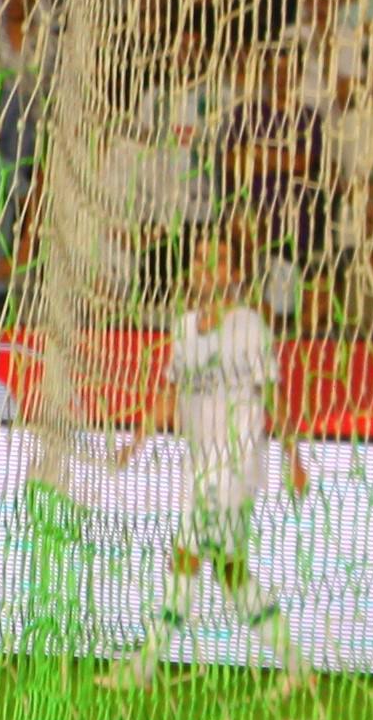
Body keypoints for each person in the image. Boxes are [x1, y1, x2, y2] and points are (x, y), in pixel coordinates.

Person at [121, 230, 303, 685]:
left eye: (217, 260)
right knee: (230, 572)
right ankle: (297, 665)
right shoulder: (184, 326)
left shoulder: (249, 326)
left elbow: (272, 397)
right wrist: (138, 438)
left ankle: (145, 666)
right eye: (200, 259)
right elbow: (172, 390)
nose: (205, 268)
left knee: (185, 555)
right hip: (200, 464)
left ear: (235, 274)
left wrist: (293, 458)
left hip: (236, 463)